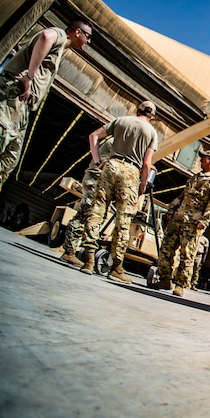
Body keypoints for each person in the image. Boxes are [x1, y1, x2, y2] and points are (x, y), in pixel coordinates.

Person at [0, 18, 93, 200]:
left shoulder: (61, 50)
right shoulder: (59, 35)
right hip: (10, 98)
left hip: (21, 108)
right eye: (88, 36)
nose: (89, 41)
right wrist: (30, 76)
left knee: (8, 160)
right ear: (77, 32)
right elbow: (46, 35)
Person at [80, 101, 159, 282]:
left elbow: (94, 136)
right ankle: (116, 267)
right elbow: (146, 163)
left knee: (97, 212)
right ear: (152, 117)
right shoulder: (151, 133)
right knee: (123, 221)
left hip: (111, 166)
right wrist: (143, 185)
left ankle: (89, 260)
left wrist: (98, 160)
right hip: (131, 173)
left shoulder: (121, 121)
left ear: (137, 110)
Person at [152, 150, 210, 297]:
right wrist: (172, 209)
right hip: (178, 218)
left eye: (203, 158)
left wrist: (205, 220)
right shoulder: (195, 177)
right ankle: (164, 279)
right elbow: (183, 196)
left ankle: (180, 284)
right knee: (166, 248)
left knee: (187, 254)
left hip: (193, 223)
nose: (200, 161)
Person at [60, 139, 114, 266]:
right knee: (84, 215)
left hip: (95, 180)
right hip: (94, 181)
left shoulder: (116, 142)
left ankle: (72, 251)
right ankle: (69, 252)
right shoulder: (116, 143)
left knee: (87, 215)